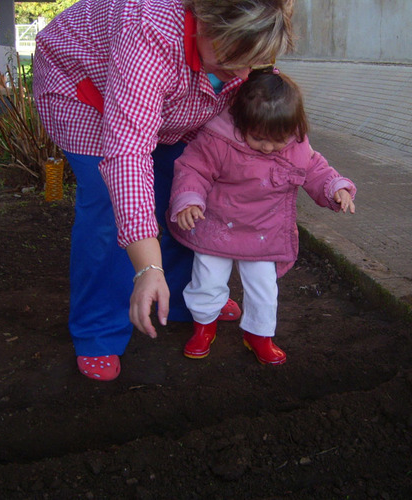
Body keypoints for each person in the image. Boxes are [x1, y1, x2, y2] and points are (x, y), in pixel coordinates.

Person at [33, 0, 294, 381]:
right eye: (230, 58)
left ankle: (184, 297)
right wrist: (147, 266)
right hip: (85, 90)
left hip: (172, 101)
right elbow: (128, 153)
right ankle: (99, 330)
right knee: (109, 204)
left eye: (249, 62)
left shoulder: (242, 47)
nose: (240, 73)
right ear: (204, 19)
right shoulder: (150, 29)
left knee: (179, 189)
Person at [167, 68, 356, 365]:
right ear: (241, 121)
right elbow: (194, 168)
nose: (268, 147)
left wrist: (336, 188)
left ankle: (259, 334)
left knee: (264, 287)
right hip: (217, 224)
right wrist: (190, 199)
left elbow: (315, 168)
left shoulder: (295, 144)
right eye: (258, 139)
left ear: (294, 128)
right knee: (207, 279)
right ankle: (204, 325)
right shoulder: (219, 139)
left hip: (263, 231)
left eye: (277, 140)